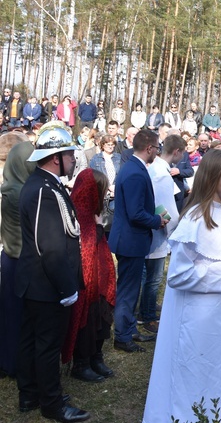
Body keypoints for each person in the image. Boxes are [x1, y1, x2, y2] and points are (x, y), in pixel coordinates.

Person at [141, 149, 221, 423]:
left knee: (217, 369)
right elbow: (178, 276)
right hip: (195, 319)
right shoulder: (195, 219)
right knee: (193, 372)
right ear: (211, 179)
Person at [15, 122, 90, 423]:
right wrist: (67, 289)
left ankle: (31, 393)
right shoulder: (44, 190)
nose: (73, 160)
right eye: (69, 154)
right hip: (46, 284)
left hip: (36, 282)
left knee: (33, 341)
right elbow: (52, 248)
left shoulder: (45, 184)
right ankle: (51, 403)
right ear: (55, 157)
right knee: (46, 345)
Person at [109, 130, 169, 353]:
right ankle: (123, 336)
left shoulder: (134, 168)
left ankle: (129, 329)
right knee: (127, 290)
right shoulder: (134, 172)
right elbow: (135, 213)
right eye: (157, 148)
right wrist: (156, 220)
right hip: (130, 240)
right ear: (149, 148)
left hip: (131, 239)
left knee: (131, 289)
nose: (157, 152)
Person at [64, 169, 117, 382]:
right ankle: (81, 362)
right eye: (101, 191)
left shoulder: (90, 212)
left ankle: (96, 356)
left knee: (101, 317)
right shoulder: (78, 213)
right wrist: (97, 226)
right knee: (87, 319)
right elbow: (85, 248)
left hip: (100, 278)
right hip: (86, 282)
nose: (104, 196)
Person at [139, 135, 186, 336]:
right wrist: (172, 226)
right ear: (176, 152)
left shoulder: (157, 169)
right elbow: (162, 206)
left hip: (155, 227)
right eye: (182, 152)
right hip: (158, 230)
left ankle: (146, 307)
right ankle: (147, 315)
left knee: (149, 275)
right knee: (153, 277)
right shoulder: (161, 174)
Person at [0, 141, 36, 379]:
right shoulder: (20, 193)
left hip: (11, 257)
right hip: (20, 259)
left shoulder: (11, 186)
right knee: (16, 315)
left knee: (10, 313)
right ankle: (12, 363)